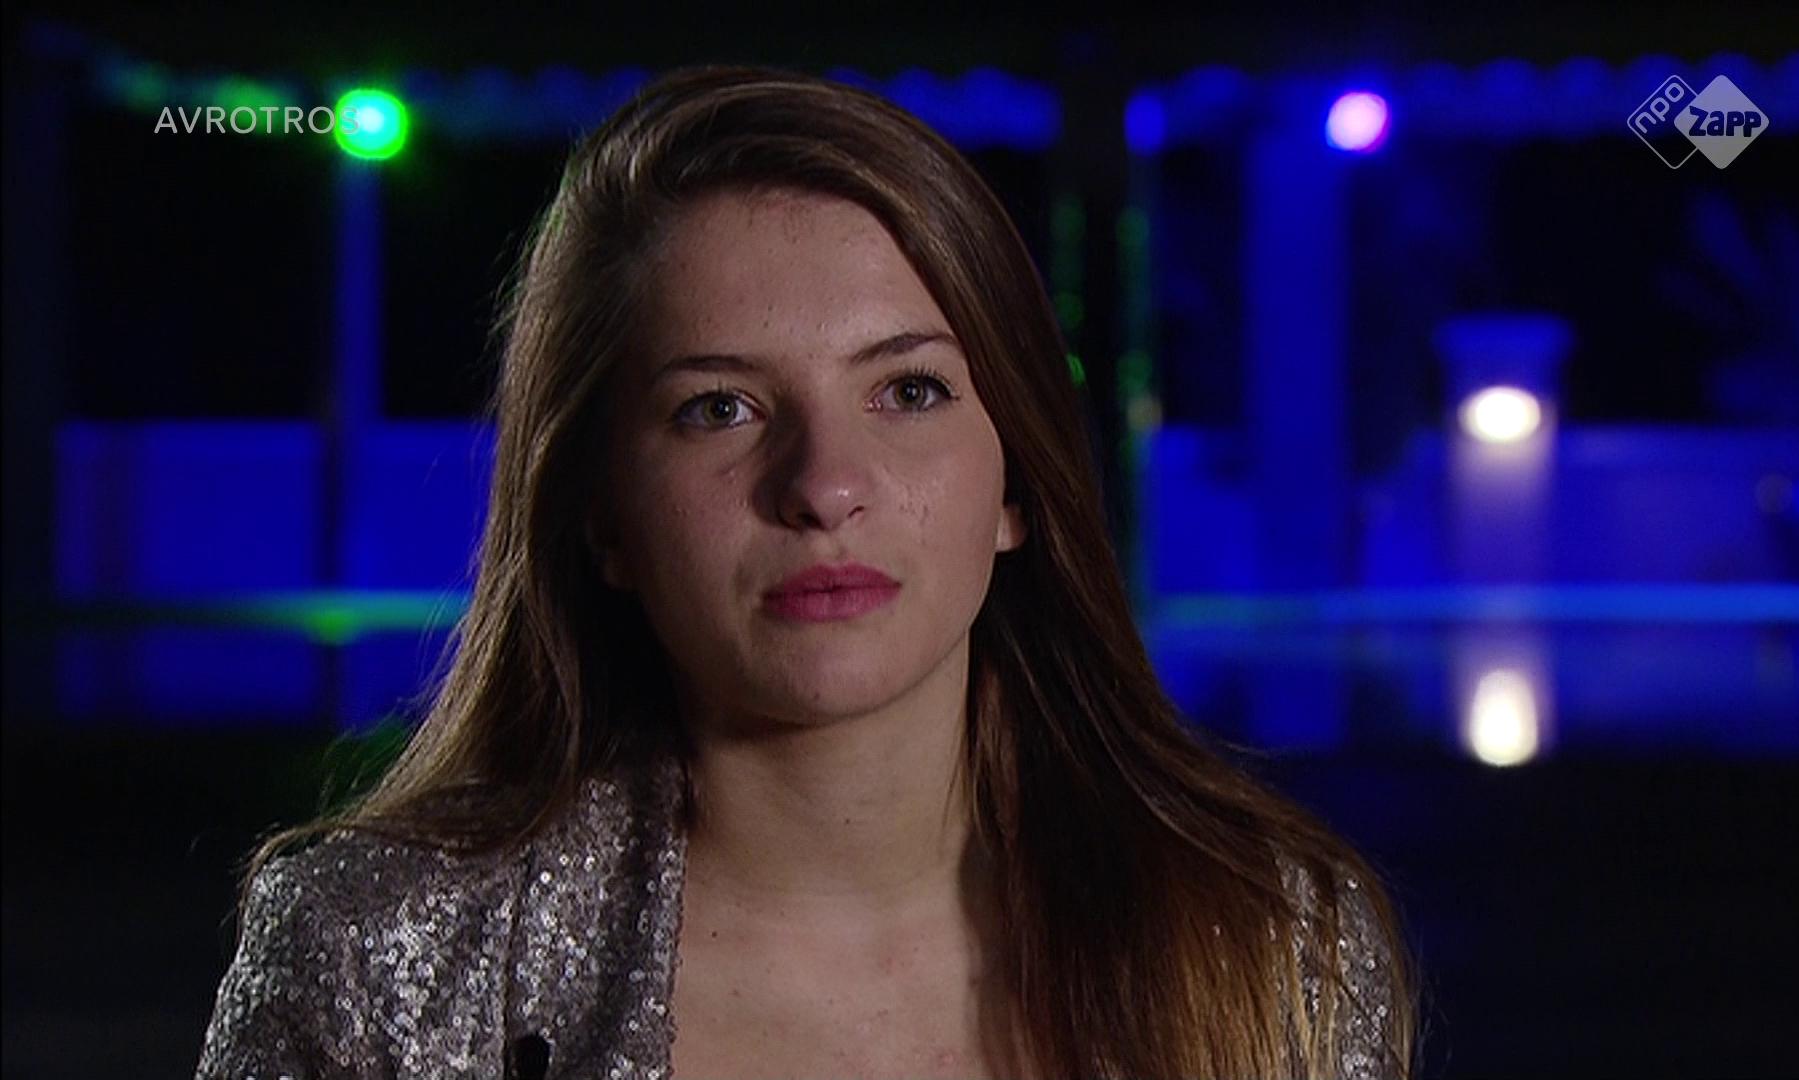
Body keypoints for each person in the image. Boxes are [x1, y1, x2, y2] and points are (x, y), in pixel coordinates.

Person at [197, 64, 1417, 1079]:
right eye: (718, 408)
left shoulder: (1274, 951)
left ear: (1016, 482)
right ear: (601, 517)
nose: (825, 486)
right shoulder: (377, 965)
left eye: (909, 391)